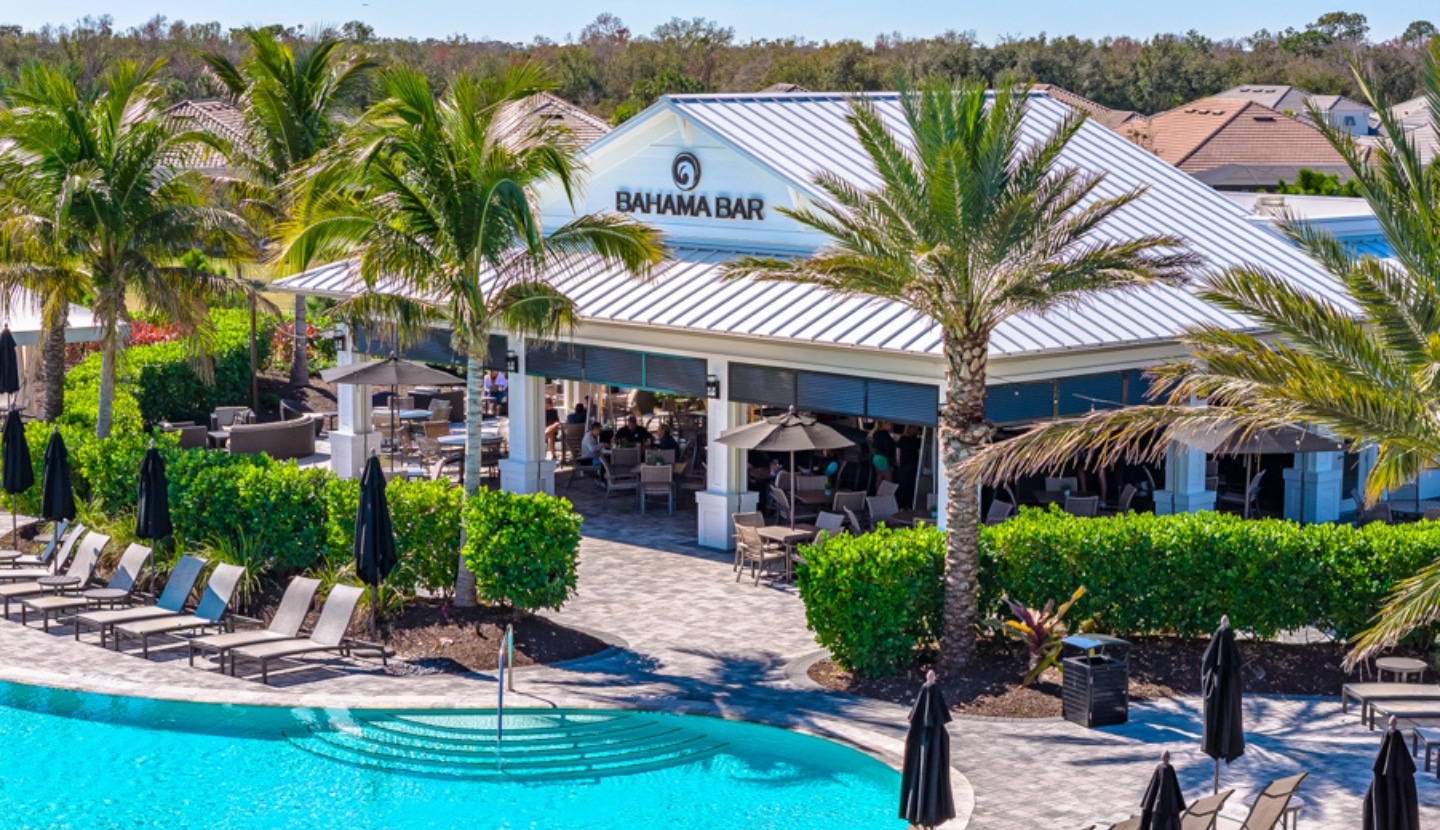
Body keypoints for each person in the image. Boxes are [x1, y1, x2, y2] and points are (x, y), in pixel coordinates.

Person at [870, 422, 897, 491]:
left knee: (879, 477)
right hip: (883, 458)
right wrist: (892, 462)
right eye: (890, 424)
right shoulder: (885, 435)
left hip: (876, 457)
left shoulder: (875, 434)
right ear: (884, 424)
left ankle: (877, 495)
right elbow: (888, 449)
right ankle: (885, 497)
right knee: (889, 480)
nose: (892, 425)